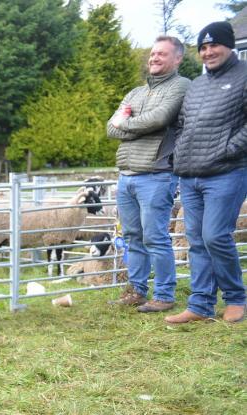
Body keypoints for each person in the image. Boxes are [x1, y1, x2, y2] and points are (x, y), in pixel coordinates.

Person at [166, 21, 247, 325]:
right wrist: (180, 154)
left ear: (230, 46)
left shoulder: (244, 75)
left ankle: (236, 297)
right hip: (190, 173)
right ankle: (200, 304)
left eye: (214, 45)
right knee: (196, 241)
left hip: (227, 172)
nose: (209, 51)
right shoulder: (197, 84)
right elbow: (184, 125)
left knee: (215, 236)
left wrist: (228, 148)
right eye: (203, 47)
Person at [106, 36, 190, 314]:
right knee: (132, 236)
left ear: (177, 59)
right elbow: (111, 128)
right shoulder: (134, 93)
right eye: (153, 53)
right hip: (127, 174)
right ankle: (137, 291)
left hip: (157, 175)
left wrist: (126, 123)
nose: (154, 58)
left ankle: (164, 295)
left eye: (162, 54)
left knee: (155, 236)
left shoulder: (181, 86)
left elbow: (160, 118)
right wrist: (131, 124)